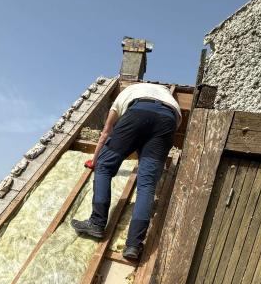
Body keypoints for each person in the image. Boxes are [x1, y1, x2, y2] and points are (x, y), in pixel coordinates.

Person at [72, 82, 181, 261]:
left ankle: (97, 223)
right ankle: (133, 246)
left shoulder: (126, 94)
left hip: (138, 112)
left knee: (105, 166)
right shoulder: (168, 98)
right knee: (146, 185)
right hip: (168, 121)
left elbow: (106, 132)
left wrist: (96, 160)